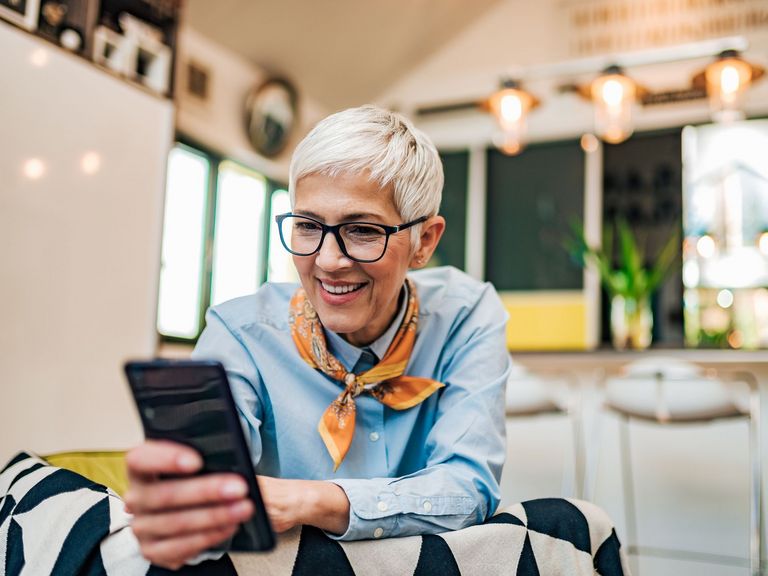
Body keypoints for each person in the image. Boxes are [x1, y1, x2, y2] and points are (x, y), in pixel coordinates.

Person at [124, 105, 512, 570]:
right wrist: (181, 498)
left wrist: (316, 501)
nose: (328, 261)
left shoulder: (466, 316)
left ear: (424, 241)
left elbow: (468, 487)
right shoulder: (241, 333)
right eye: (308, 226)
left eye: (362, 230)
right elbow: (206, 491)